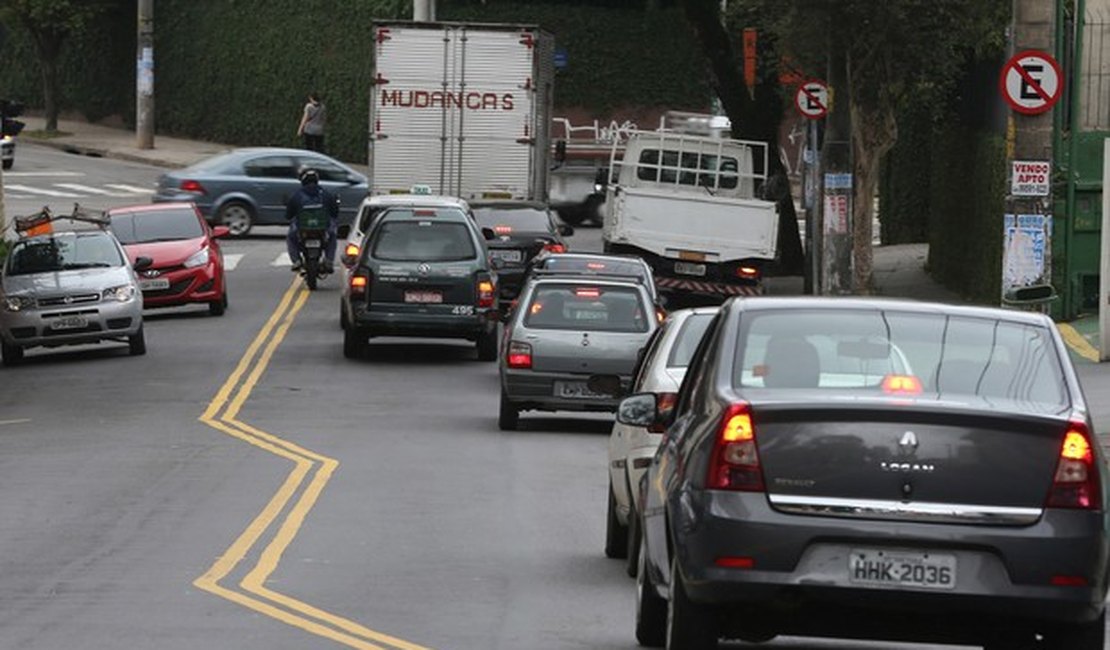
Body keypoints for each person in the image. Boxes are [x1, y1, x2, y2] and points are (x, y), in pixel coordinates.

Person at [286, 167, 340, 273]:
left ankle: (296, 260)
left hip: (302, 229)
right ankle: (329, 260)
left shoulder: (297, 195)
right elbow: (334, 212)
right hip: (322, 228)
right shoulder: (326, 194)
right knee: (332, 237)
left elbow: (289, 214)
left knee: (291, 238)